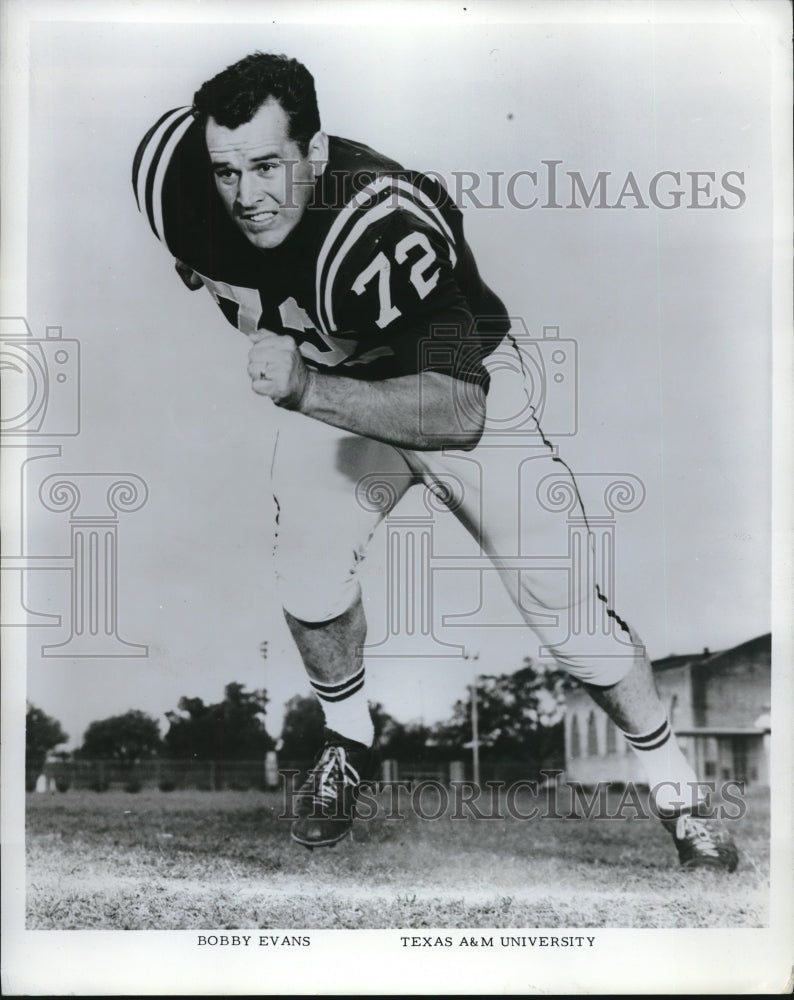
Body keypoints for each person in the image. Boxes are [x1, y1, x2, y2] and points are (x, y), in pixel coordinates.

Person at [133, 51, 738, 870]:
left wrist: (307, 386)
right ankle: (349, 743)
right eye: (228, 170)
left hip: (458, 382)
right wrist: (313, 371)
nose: (246, 195)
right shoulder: (174, 186)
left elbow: (459, 413)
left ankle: (679, 793)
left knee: (575, 626)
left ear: (315, 153)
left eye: (269, 165)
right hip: (340, 380)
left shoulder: (378, 222)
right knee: (304, 570)